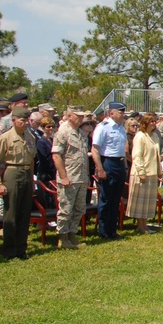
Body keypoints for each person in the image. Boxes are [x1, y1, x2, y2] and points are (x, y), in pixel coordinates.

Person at [0, 106, 37, 259]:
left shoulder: (30, 137)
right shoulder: (5, 137)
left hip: (26, 174)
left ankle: (21, 248)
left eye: (27, 121)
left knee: (24, 213)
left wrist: (31, 180)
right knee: (11, 214)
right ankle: (9, 250)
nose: (25, 123)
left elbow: (31, 160)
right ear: (14, 120)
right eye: (22, 120)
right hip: (12, 172)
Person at [51, 106, 89, 249]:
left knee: (79, 208)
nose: (81, 118)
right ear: (69, 116)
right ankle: (62, 237)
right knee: (66, 208)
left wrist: (86, 175)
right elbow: (56, 155)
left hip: (80, 177)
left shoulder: (81, 133)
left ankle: (72, 234)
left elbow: (84, 157)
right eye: (77, 116)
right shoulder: (63, 132)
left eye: (82, 116)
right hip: (69, 177)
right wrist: (63, 176)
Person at [90, 101, 127, 240]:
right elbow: (95, 149)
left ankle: (112, 229)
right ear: (111, 113)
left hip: (119, 163)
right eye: (120, 112)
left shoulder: (121, 128)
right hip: (107, 162)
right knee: (106, 198)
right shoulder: (103, 127)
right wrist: (100, 169)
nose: (123, 114)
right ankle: (104, 230)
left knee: (116, 198)